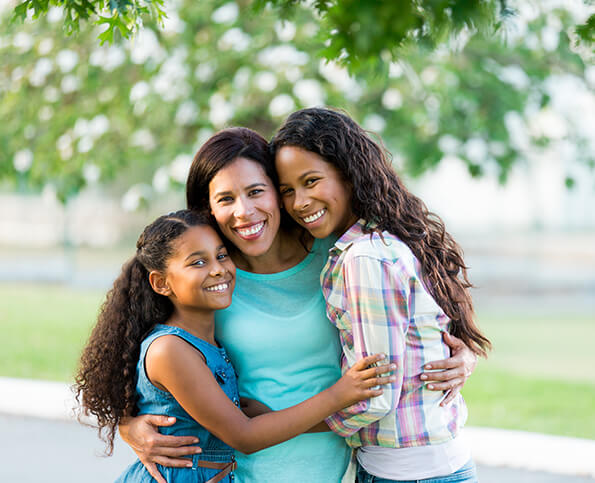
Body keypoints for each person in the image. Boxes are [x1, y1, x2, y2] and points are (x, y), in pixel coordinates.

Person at [119, 128, 479, 483]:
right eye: (225, 199)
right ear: (207, 208)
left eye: (257, 191)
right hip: (248, 470)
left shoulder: (337, 253)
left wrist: (463, 353)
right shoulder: (211, 280)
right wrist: (127, 423)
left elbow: (426, 299)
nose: (244, 211)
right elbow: (138, 354)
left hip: (343, 467)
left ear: (278, 192)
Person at [74, 209, 395, 483]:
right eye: (197, 262)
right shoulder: (170, 349)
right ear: (161, 283)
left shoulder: (204, 341)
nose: (217, 269)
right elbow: (244, 436)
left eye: (221, 255)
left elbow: (243, 422)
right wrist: (339, 394)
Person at [271, 107, 492, 483]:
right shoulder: (386, 238)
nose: (299, 202)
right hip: (431, 464)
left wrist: (283, 425)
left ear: (348, 174)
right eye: (288, 190)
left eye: (311, 181)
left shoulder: (365, 257)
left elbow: (376, 395)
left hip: (407, 473)